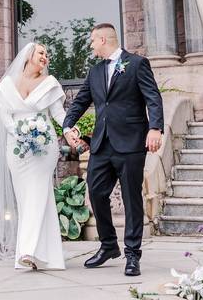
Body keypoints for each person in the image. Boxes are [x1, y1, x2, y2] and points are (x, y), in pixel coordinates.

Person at [62, 23, 163, 277]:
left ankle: (132, 255)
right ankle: (108, 245)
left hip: (130, 143)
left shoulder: (137, 64)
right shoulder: (95, 71)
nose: (91, 46)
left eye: (93, 41)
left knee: (131, 199)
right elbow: (82, 100)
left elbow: (153, 97)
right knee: (95, 192)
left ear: (104, 39)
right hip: (101, 144)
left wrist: (156, 128)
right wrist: (67, 124)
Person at [0, 42, 67, 270]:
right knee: (26, 199)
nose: (46, 57)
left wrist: (70, 129)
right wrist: (19, 133)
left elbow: (59, 114)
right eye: (42, 52)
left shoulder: (49, 84)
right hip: (17, 149)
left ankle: (27, 251)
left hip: (44, 148)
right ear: (29, 55)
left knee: (38, 193)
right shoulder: (7, 84)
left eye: (47, 54)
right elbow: (5, 115)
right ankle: (46, 256)